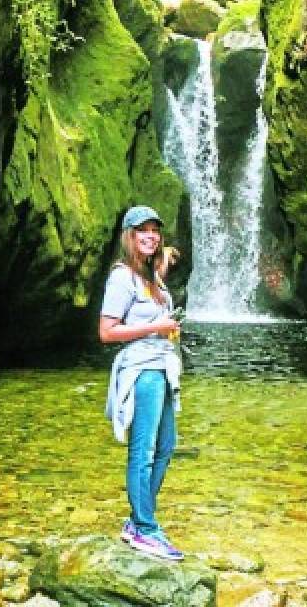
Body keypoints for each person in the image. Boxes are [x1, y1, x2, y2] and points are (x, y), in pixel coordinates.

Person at [100, 204, 185, 562]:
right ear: (129, 236)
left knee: (166, 445)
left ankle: (139, 521)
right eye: (143, 230)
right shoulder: (122, 277)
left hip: (163, 366)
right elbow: (107, 331)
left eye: (155, 230)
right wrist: (157, 327)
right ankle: (144, 526)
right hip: (143, 369)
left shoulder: (151, 279)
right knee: (143, 449)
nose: (151, 235)